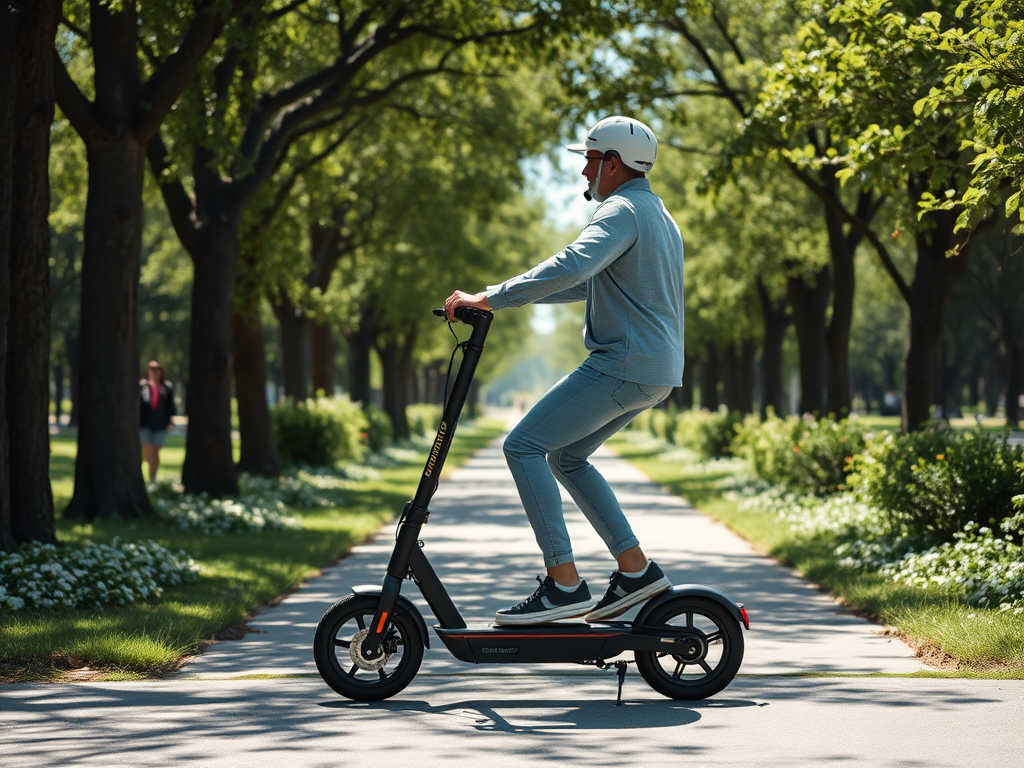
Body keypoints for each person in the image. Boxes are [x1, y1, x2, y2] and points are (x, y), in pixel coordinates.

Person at [444, 116, 684, 625]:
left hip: (622, 362)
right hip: (655, 368)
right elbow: (593, 282)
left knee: (523, 445)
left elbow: (575, 265)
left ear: (613, 165)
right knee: (568, 458)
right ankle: (636, 571)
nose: (582, 172)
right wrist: (508, 301)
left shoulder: (619, 210)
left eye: (589, 160)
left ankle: (564, 583)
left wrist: (489, 296)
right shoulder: (658, 213)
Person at [140, 360, 177, 482]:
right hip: (145, 424)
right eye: (151, 369)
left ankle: (152, 479)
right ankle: (149, 478)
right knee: (147, 452)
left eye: (157, 369)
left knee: (155, 452)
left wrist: (170, 421)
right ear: (148, 371)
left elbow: (171, 407)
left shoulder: (166, 388)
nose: (154, 372)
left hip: (161, 425)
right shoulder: (143, 386)